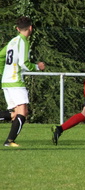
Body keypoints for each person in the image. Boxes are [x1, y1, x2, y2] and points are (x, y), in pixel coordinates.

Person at [0, 16, 45, 147]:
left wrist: (4, 73)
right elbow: (23, 63)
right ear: (30, 28)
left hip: (7, 81)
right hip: (15, 81)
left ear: (17, 28)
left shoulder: (12, 41)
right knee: (23, 113)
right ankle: (9, 141)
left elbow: (1, 56)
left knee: (16, 114)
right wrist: (37, 67)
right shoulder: (23, 41)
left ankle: (9, 142)